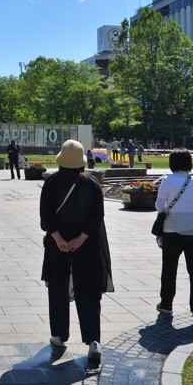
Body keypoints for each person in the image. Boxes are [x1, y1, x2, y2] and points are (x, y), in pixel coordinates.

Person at [40, 140, 114, 370]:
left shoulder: (51, 183)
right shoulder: (91, 184)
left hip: (57, 243)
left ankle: (59, 335)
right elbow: (97, 216)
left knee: (58, 288)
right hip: (88, 244)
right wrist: (81, 238)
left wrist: (59, 239)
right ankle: (93, 341)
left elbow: (45, 217)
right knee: (89, 290)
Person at [155, 148, 193, 327]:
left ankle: (166, 304)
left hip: (172, 230)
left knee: (169, 268)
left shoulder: (167, 180)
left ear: (172, 163)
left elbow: (159, 206)